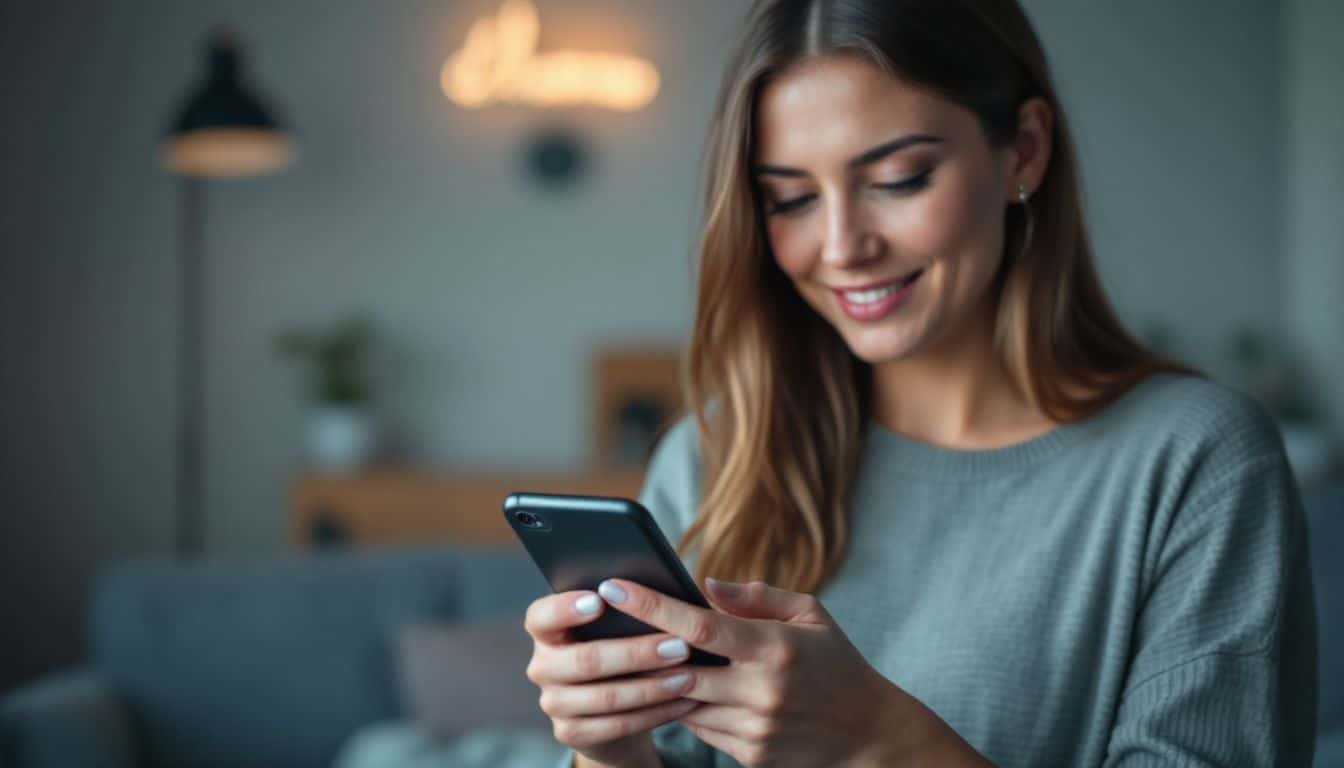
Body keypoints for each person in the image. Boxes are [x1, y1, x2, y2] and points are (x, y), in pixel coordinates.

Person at [523, 0, 1318, 765]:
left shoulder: (1195, 460)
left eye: (899, 179)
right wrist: (611, 752)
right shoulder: (713, 456)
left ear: (1026, 149)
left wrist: (879, 743)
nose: (841, 246)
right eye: (790, 198)